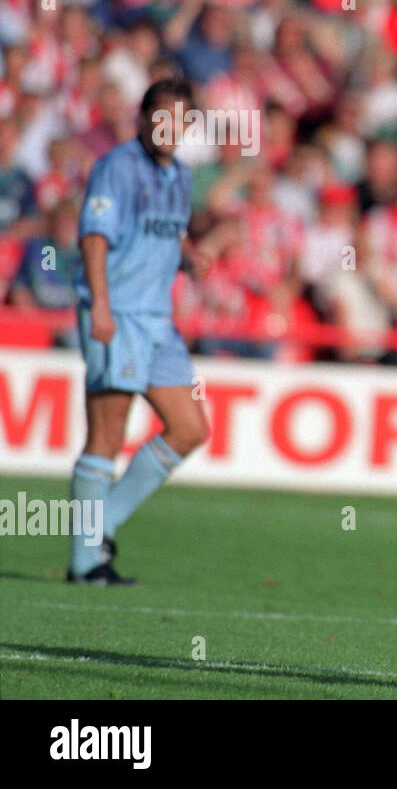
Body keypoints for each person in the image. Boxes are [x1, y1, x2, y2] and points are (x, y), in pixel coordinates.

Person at [68, 78, 213, 584]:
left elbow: (166, 232)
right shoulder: (116, 168)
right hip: (119, 314)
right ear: (143, 119)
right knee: (108, 434)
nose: (170, 130)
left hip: (158, 320)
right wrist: (100, 309)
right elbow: (94, 239)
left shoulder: (181, 176)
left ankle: (99, 525)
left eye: (180, 121)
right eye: (162, 119)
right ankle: (85, 561)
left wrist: (189, 259)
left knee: (191, 428)